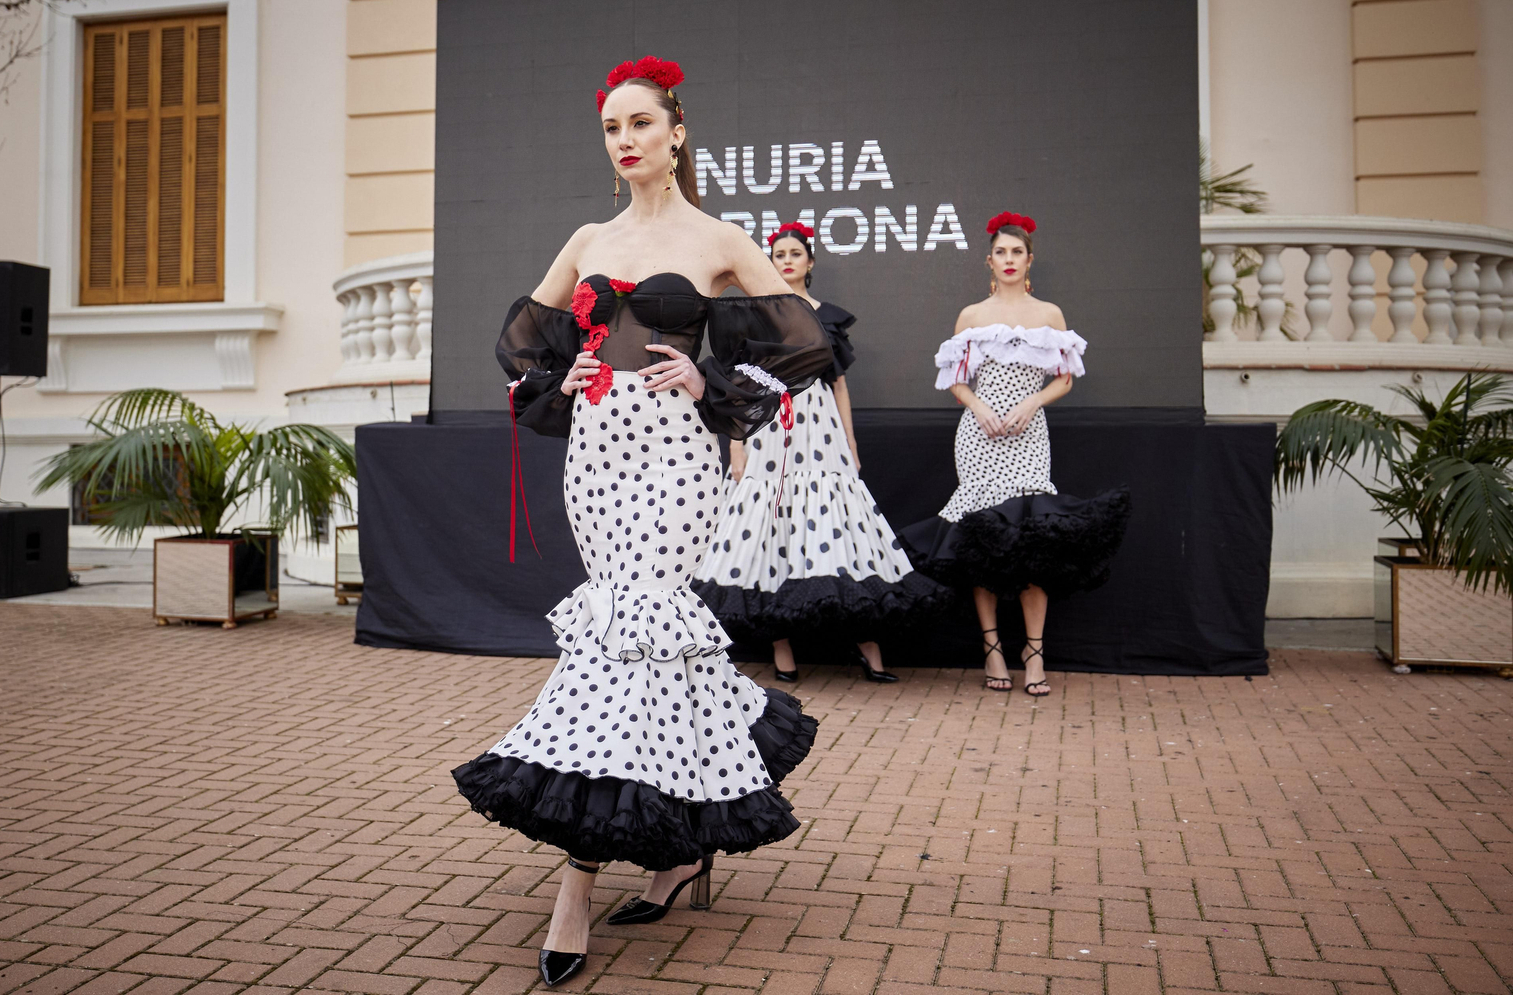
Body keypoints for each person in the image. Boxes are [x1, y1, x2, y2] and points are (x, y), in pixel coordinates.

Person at [451, 56, 833, 988]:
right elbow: (519, 343)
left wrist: (712, 383)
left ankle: (575, 886)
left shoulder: (718, 238)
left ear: (677, 132)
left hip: (674, 457)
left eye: (639, 124)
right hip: (598, 452)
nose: (624, 141)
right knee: (631, 639)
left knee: (634, 623)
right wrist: (562, 379)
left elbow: (808, 347)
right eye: (611, 129)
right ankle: (679, 848)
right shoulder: (587, 236)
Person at [693, 222, 944, 684]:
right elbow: (739, 381)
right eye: (778, 253)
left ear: (810, 262)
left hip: (821, 428)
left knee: (842, 525)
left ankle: (870, 648)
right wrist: (735, 439)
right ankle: (781, 650)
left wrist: (849, 440)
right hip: (769, 424)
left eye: (795, 253)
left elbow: (839, 383)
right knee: (769, 525)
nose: (786, 259)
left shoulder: (826, 316)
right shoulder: (758, 314)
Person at [899, 212, 1130, 696]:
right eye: (1001, 252)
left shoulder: (1050, 315)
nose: (1008, 259)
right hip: (978, 439)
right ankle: (993, 652)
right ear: (990, 260)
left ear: (1029, 261)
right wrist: (979, 405)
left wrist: (1032, 402)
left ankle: (1034, 652)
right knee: (983, 545)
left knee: (1032, 546)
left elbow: (1064, 379)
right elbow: (955, 381)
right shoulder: (971, 316)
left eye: (1016, 252)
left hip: (1029, 437)